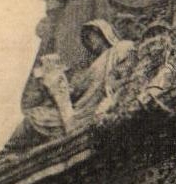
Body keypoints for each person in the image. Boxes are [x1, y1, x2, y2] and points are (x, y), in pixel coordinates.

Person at [10, 19, 135, 147]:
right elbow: (77, 92)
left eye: (90, 36)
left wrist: (114, 82)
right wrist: (57, 84)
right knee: (34, 116)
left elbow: (127, 68)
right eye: (85, 40)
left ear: (103, 34)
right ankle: (9, 151)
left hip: (91, 110)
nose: (89, 42)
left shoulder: (121, 48)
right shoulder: (90, 67)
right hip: (78, 109)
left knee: (34, 119)